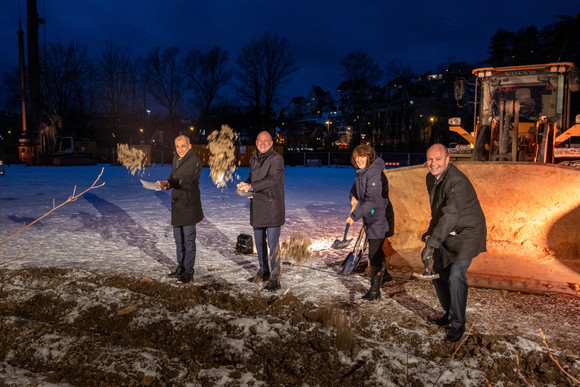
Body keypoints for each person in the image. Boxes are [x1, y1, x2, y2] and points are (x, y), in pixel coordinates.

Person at [422, 143, 487, 343]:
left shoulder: (456, 182)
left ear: (448, 160)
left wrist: (432, 244)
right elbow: (438, 212)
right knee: (437, 272)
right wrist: (430, 234)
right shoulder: (431, 178)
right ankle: (449, 313)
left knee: (456, 275)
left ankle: (458, 324)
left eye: (438, 159)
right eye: (430, 159)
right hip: (450, 232)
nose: (433, 164)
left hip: (468, 233)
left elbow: (450, 214)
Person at [237, 131, 285, 291]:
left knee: (272, 244)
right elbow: (253, 177)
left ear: (271, 143)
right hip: (257, 206)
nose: (262, 143)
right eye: (260, 140)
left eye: (266, 141)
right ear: (256, 142)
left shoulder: (277, 159)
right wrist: (245, 183)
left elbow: (272, 179)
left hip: (272, 207)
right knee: (259, 243)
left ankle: (275, 278)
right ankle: (264, 271)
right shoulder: (253, 157)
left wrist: (251, 186)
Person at [347, 144, 393, 301]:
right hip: (371, 217)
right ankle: (383, 275)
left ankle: (374, 291)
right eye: (357, 156)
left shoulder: (373, 173)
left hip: (379, 217)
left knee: (373, 253)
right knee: (376, 250)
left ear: (369, 157)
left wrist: (354, 216)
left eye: (362, 156)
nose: (359, 159)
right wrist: (352, 196)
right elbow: (355, 188)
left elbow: (372, 200)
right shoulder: (361, 172)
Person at [157, 135, 204, 284]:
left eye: (183, 146)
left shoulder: (195, 162)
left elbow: (185, 180)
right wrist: (166, 183)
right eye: (177, 146)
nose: (180, 149)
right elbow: (173, 177)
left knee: (189, 241)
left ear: (189, 146)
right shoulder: (176, 159)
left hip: (189, 206)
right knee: (179, 241)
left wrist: (170, 183)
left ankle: (189, 272)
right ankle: (181, 268)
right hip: (177, 206)